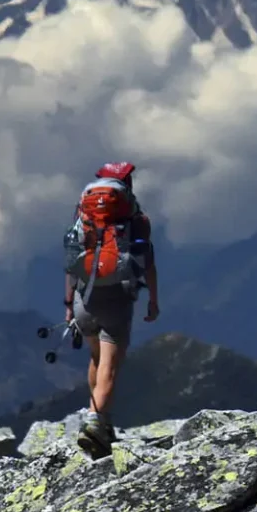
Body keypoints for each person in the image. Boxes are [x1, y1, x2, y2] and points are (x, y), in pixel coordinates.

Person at [64, 161, 159, 457]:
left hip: (84, 298)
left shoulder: (83, 215)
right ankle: (96, 421)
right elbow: (148, 262)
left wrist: (69, 305)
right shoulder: (137, 219)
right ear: (127, 184)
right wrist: (153, 300)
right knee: (110, 364)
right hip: (116, 299)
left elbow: (70, 260)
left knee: (96, 356)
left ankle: (96, 415)